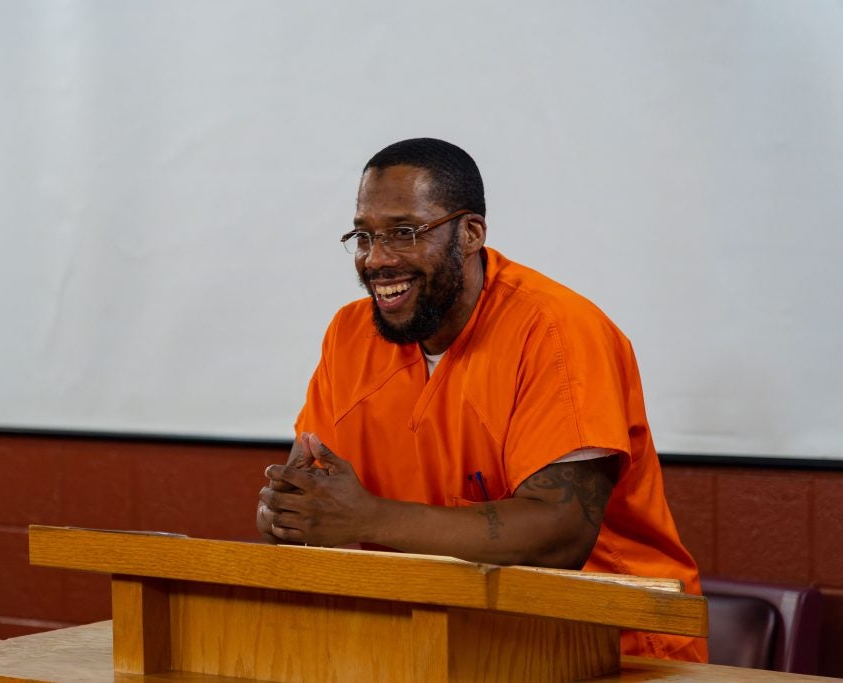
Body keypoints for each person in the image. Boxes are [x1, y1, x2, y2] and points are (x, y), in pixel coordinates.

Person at [256, 137, 706, 662]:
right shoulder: (349, 335)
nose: (376, 259)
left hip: (608, 650)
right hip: (439, 643)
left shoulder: (558, 331)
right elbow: (309, 497)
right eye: (363, 236)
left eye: (404, 233)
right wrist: (288, 514)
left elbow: (559, 535)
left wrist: (367, 518)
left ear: (469, 233)